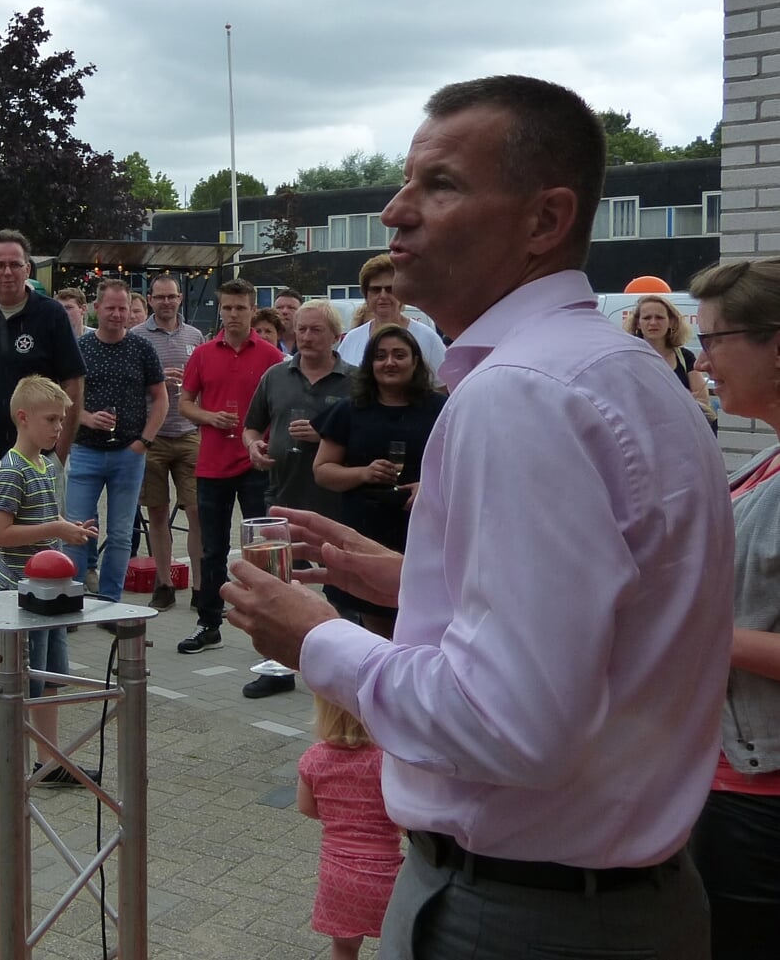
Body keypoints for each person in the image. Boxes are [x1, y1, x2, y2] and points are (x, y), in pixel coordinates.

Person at [223, 75, 732, 958]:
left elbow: (509, 722)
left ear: (544, 220)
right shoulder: (617, 369)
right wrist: (394, 573)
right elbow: (604, 617)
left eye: (440, 184)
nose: (394, 211)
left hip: (521, 913)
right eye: (404, 181)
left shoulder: (523, 394)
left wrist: (315, 640)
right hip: (616, 897)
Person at [684, 257, 780, 958]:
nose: (702, 355)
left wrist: (688, 629)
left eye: (715, 338)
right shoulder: (766, 458)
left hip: (763, 796)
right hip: (732, 775)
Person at [0, 376, 96, 794]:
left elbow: (39, 527)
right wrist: (58, 526)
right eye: (51, 419)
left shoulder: (44, 463)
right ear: (22, 418)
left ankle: (49, 761)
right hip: (20, 594)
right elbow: (1, 534)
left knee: (52, 676)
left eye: (62, 420)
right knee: (19, 677)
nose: (59, 428)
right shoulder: (12, 468)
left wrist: (68, 530)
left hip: (48, 591)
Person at [0, 230, 85, 629]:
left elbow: (74, 384)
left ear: (28, 268)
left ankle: (37, 643)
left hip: (38, 461)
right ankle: (3, 650)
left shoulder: (50, 314)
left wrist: (60, 453)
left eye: (15, 264)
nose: (8, 272)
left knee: (39, 552)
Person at [239, 300, 353, 698]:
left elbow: (364, 441)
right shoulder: (276, 376)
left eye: (315, 330)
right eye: (301, 329)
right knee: (279, 589)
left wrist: (324, 438)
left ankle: (344, 667)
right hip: (282, 496)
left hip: (336, 505)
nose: (305, 337)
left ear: (336, 337)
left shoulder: (354, 381)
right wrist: (253, 448)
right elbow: (251, 427)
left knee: (342, 587)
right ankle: (278, 667)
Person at [310, 325, 446, 640]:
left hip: (421, 535)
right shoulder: (350, 411)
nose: (390, 363)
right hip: (365, 532)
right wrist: (364, 473)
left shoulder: (440, 410)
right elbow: (322, 470)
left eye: (400, 355)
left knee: (423, 628)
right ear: (370, 364)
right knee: (377, 631)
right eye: (381, 356)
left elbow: (464, 468)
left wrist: (430, 486)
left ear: (416, 362)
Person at [176, 278, 284, 655]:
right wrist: (209, 416)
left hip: (255, 463)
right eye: (227, 308)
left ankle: (272, 621)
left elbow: (280, 407)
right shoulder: (204, 354)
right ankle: (209, 622)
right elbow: (184, 403)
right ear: (219, 310)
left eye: (240, 308)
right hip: (212, 464)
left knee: (262, 548)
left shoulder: (271, 356)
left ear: (253, 310)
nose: (233, 314)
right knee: (212, 548)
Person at [65, 280, 166, 604]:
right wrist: (86, 417)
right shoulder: (81, 348)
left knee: (121, 534)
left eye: (123, 308)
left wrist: (144, 442)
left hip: (128, 454)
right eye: (110, 307)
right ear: (96, 308)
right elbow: (62, 398)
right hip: (84, 452)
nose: (118, 314)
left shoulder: (141, 348)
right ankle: (74, 598)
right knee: (77, 530)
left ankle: (110, 602)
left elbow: (161, 399)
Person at [297, 696, 400, 960]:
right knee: (396, 942)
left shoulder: (314, 759)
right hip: (386, 875)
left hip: (337, 876)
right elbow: (402, 817)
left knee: (344, 947)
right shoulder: (385, 760)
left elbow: (307, 808)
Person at [134, 274, 206, 610]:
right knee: (158, 513)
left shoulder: (195, 336)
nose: (166, 302)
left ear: (180, 299)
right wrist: (157, 381)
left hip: (189, 432)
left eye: (171, 297)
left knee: (196, 511)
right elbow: (130, 386)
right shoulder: (137, 337)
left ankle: (201, 585)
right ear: (150, 300)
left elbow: (205, 382)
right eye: (160, 297)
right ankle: (163, 582)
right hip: (154, 436)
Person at [335, 254, 447, 373]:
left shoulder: (428, 338)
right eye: (376, 289)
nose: (383, 296)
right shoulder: (352, 340)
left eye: (390, 289)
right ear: (366, 295)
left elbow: (442, 388)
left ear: (403, 293)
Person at [624, 294, 715, 429]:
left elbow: (702, 400)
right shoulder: (628, 358)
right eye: (647, 318)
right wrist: (682, 397)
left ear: (671, 322)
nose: (653, 322)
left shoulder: (685, 357)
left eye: (659, 317)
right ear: (638, 323)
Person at [274, 288, 304, 355]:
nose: (284, 311)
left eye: (291, 308)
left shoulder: (308, 341)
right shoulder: (265, 339)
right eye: (279, 307)